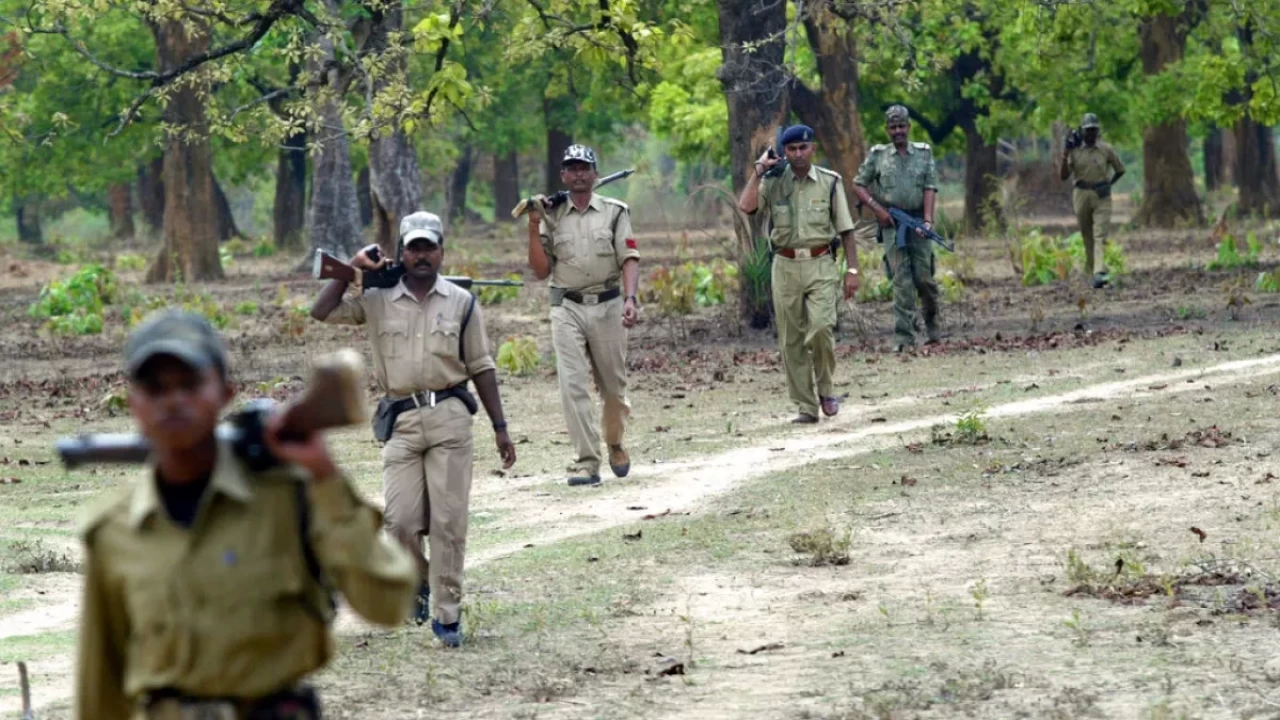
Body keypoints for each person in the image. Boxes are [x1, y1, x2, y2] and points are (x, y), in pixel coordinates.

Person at [75, 310, 418, 720]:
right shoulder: (114, 529)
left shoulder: (289, 497)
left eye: (190, 384)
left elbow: (388, 603)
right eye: (155, 387)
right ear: (134, 402)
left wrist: (325, 480)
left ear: (225, 393)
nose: (173, 400)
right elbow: (101, 693)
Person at [311, 211, 517, 647]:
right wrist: (353, 268)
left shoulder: (462, 302)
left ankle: (448, 613)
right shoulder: (377, 298)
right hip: (401, 421)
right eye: (413, 248)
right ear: (401, 253)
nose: (422, 255)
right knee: (400, 523)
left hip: (450, 417)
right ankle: (420, 580)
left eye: (429, 247)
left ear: (442, 251)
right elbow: (321, 311)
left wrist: (500, 427)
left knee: (447, 522)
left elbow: (481, 365)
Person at [526, 144, 640, 486]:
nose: (577, 173)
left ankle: (615, 441)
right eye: (571, 168)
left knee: (613, 390)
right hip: (567, 307)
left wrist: (631, 298)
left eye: (583, 167)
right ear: (563, 175)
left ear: (594, 174)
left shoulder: (615, 212)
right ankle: (587, 462)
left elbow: (629, 258)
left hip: (608, 305)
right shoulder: (552, 215)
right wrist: (534, 226)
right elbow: (541, 271)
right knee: (573, 386)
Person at [738, 124, 859, 424]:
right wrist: (759, 170)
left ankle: (826, 390)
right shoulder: (774, 182)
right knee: (791, 339)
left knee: (820, 328)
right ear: (785, 152)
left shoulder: (829, 182)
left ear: (812, 148)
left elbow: (846, 230)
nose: (798, 154)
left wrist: (852, 270)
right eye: (791, 149)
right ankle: (806, 406)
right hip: (785, 265)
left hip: (821, 263)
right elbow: (746, 206)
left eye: (803, 148)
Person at [852, 105, 941, 352]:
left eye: (902, 126)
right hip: (892, 225)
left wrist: (927, 221)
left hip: (918, 224)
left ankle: (933, 326)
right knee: (901, 281)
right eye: (893, 127)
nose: (898, 131)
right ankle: (904, 338)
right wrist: (876, 209)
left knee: (924, 279)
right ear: (887, 130)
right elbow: (858, 184)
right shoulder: (878, 156)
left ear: (909, 127)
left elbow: (930, 186)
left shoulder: (924, 153)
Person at [1059, 112, 1126, 289]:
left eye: (1094, 130)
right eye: (1087, 130)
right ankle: (1091, 270)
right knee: (1086, 234)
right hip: (1081, 194)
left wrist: (1109, 183)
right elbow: (1063, 176)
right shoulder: (1074, 150)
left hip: (1101, 196)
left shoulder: (1106, 149)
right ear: (1082, 131)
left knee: (1099, 234)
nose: (1090, 134)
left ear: (1098, 131)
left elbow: (1120, 169)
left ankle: (1099, 272)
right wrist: (1065, 153)